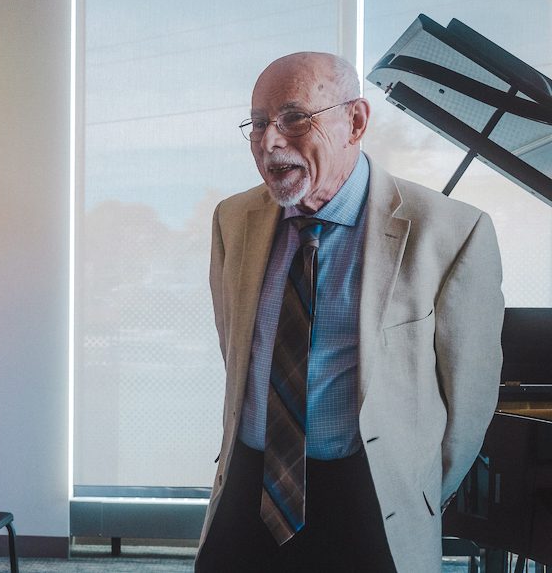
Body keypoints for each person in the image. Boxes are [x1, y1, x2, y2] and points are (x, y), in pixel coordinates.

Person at [195, 52, 503, 573]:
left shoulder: (451, 234)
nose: (270, 141)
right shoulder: (233, 218)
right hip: (251, 488)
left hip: (369, 497)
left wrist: (411, 485)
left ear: (355, 121)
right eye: (260, 123)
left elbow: (466, 409)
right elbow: (238, 350)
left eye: (294, 118)